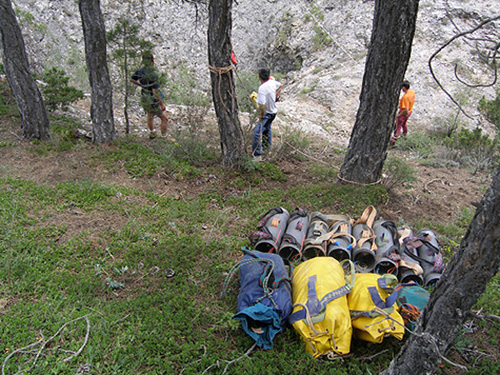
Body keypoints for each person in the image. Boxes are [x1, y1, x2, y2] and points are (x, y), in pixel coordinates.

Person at [130, 52, 169, 139]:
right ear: (152, 61)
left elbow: (131, 79)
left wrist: (141, 85)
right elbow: (155, 92)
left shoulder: (139, 71)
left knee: (150, 115)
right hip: (153, 100)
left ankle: (152, 133)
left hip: (144, 97)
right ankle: (164, 137)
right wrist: (161, 103)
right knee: (164, 118)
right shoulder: (153, 75)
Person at [252, 68, 283, 160]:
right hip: (273, 113)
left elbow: (262, 106)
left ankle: (257, 156)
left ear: (259, 76)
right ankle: (266, 150)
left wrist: (261, 116)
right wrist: (275, 95)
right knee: (267, 130)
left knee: (256, 133)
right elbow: (281, 85)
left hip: (267, 114)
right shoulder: (272, 83)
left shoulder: (262, 88)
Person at [392, 80, 416, 144]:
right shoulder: (412, 92)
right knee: (404, 123)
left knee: (398, 125)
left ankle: (394, 140)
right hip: (410, 111)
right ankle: (405, 134)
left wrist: (399, 116)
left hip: (404, 112)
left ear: (404, 88)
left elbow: (405, 110)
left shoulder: (406, 97)